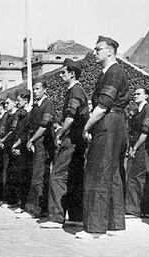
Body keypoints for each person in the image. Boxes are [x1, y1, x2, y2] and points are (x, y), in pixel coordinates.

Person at [76, 36, 130, 239]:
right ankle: (115, 224)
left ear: (110, 51)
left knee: (97, 172)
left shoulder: (113, 73)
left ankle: (95, 228)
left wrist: (87, 127)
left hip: (108, 122)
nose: (94, 52)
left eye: (98, 49)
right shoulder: (110, 73)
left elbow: (103, 105)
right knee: (113, 174)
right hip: (117, 124)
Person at [40, 59, 89, 229]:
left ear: (72, 74)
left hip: (72, 139)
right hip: (78, 141)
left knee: (57, 176)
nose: (61, 75)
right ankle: (76, 217)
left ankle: (56, 217)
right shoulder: (77, 90)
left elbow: (70, 117)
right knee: (74, 178)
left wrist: (59, 134)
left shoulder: (75, 91)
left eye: (63, 72)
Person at [17, 79, 55, 219]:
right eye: (34, 89)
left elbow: (44, 126)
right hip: (34, 144)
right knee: (35, 175)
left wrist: (32, 140)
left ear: (45, 89)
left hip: (43, 144)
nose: (35, 91)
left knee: (38, 177)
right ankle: (39, 208)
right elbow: (29, 127)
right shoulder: (35, 107)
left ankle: (35, 210)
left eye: (38, 88)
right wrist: (29, 141)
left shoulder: (48, 104)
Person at [124, 88, 149, 217]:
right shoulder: (138, 111)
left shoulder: (148, 110)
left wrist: (134, 148)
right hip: (135, 147)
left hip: (143, 148)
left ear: (146, 96)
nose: (135, 96)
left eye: (138, 94)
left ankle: (139, 208)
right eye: (134, 94)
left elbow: (145, 132)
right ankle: (132, 207)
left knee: (138, 177)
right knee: (132, 176)